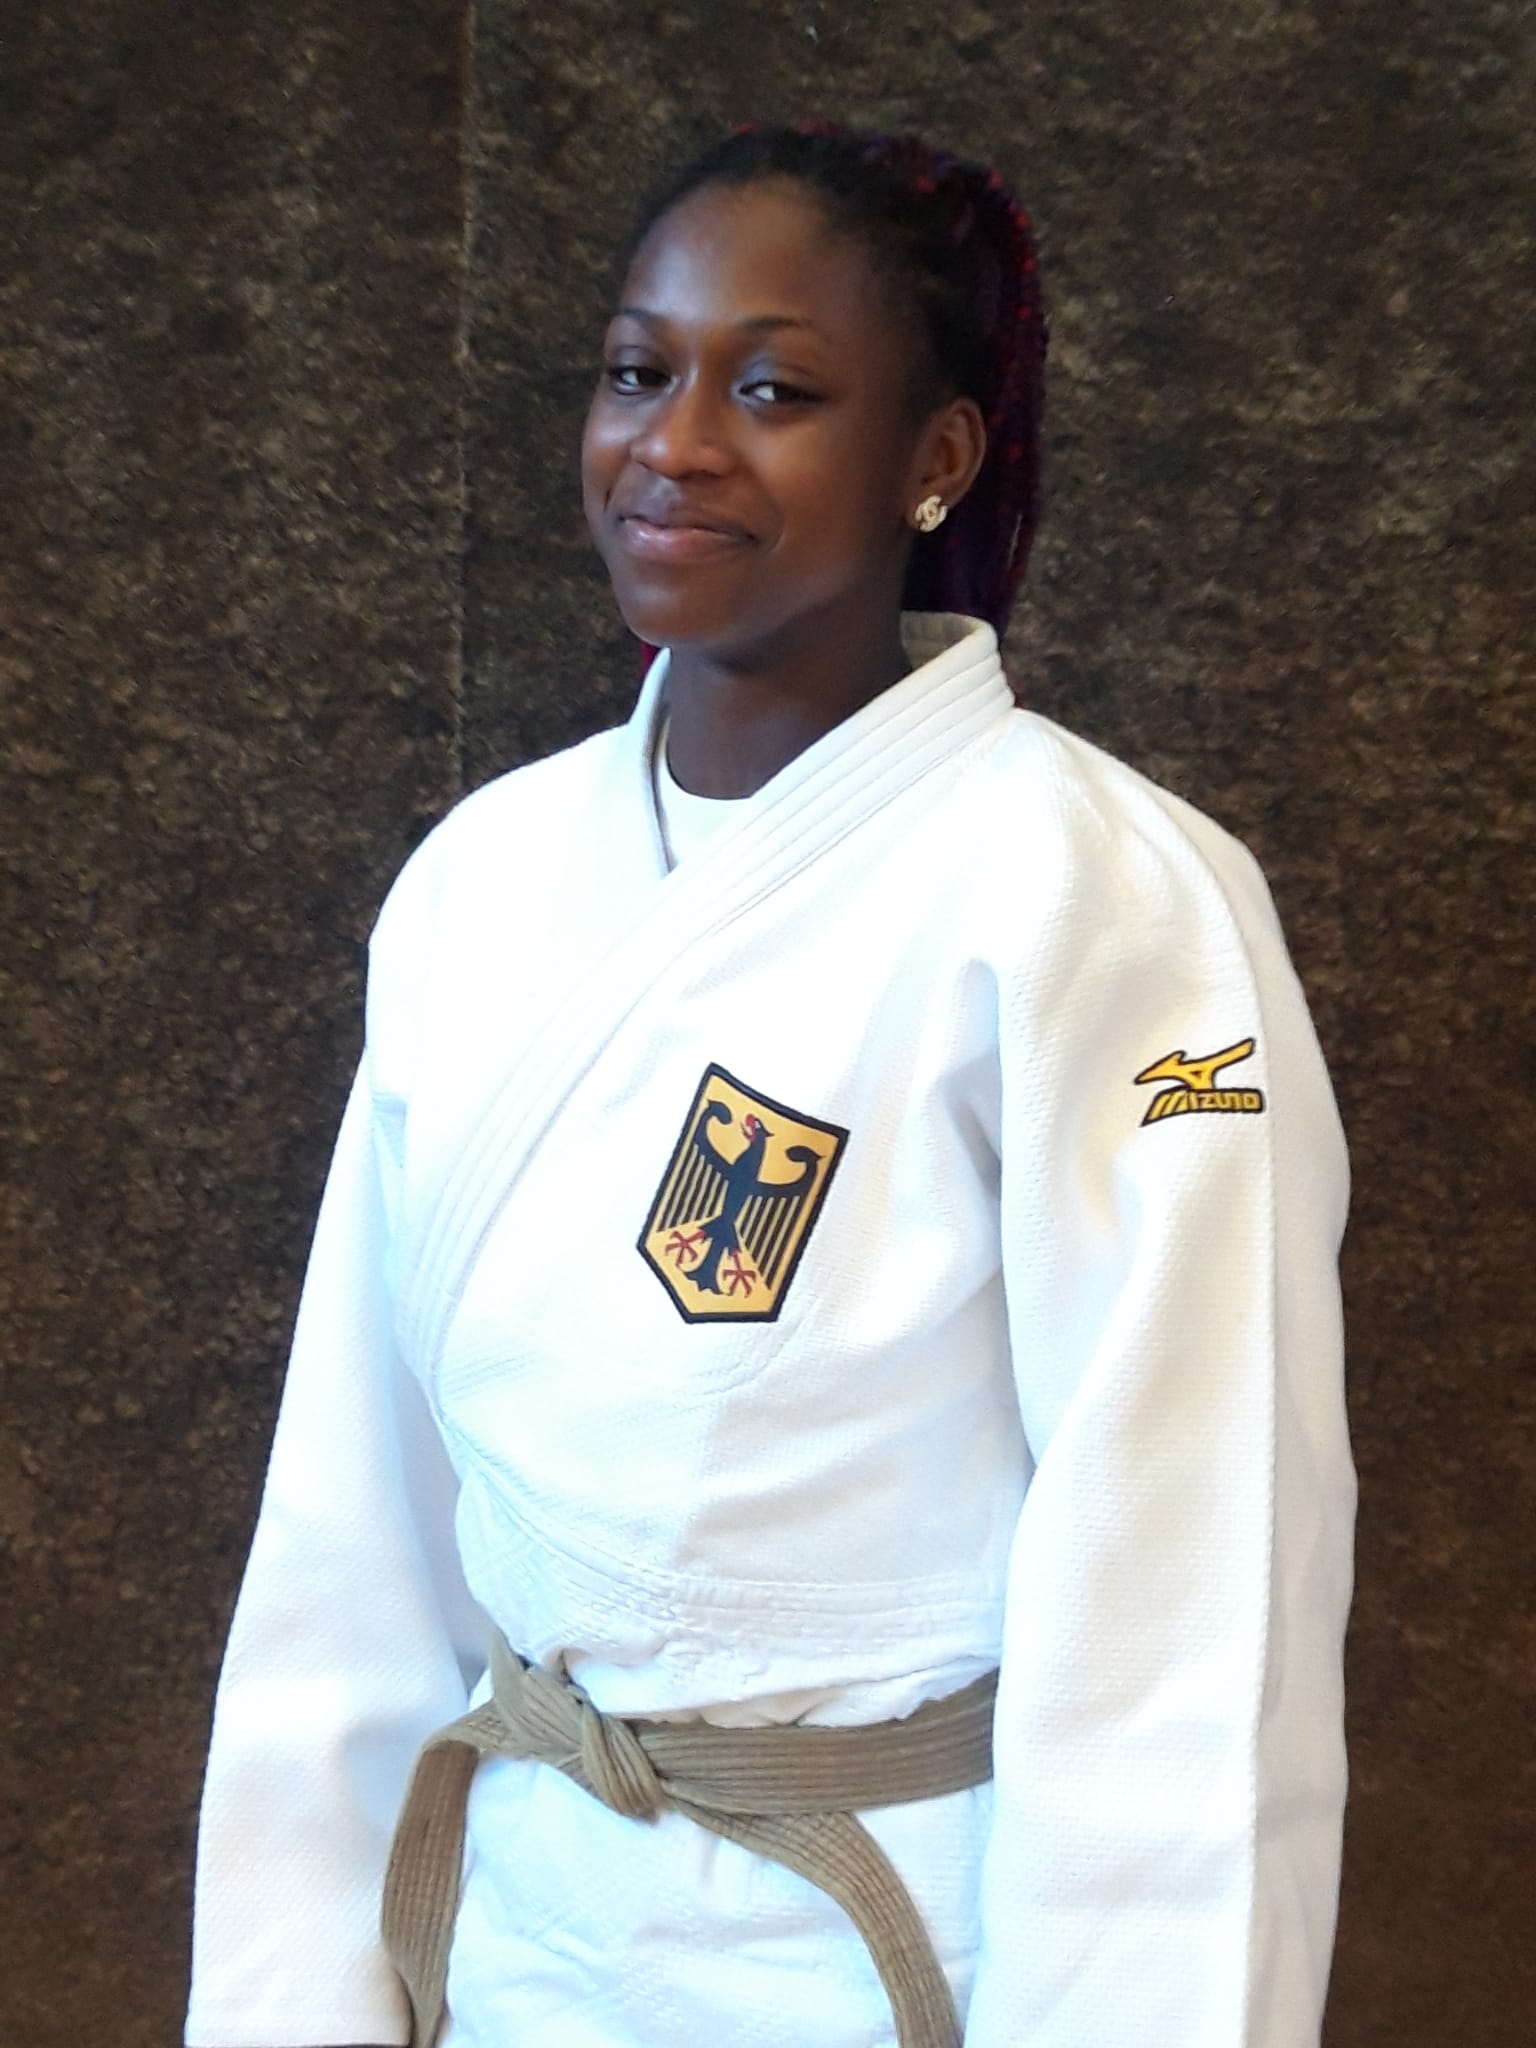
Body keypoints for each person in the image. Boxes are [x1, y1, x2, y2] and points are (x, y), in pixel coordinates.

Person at [185, 124, 1356, 2048]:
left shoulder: (1106, 901)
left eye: (773, 391)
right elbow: (352, 1534)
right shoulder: (485, 881)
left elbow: (1193, 1595)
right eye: (638, 370)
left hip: (879, 1956)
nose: (674, 444)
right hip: (518, 1942)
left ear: (936, 457)